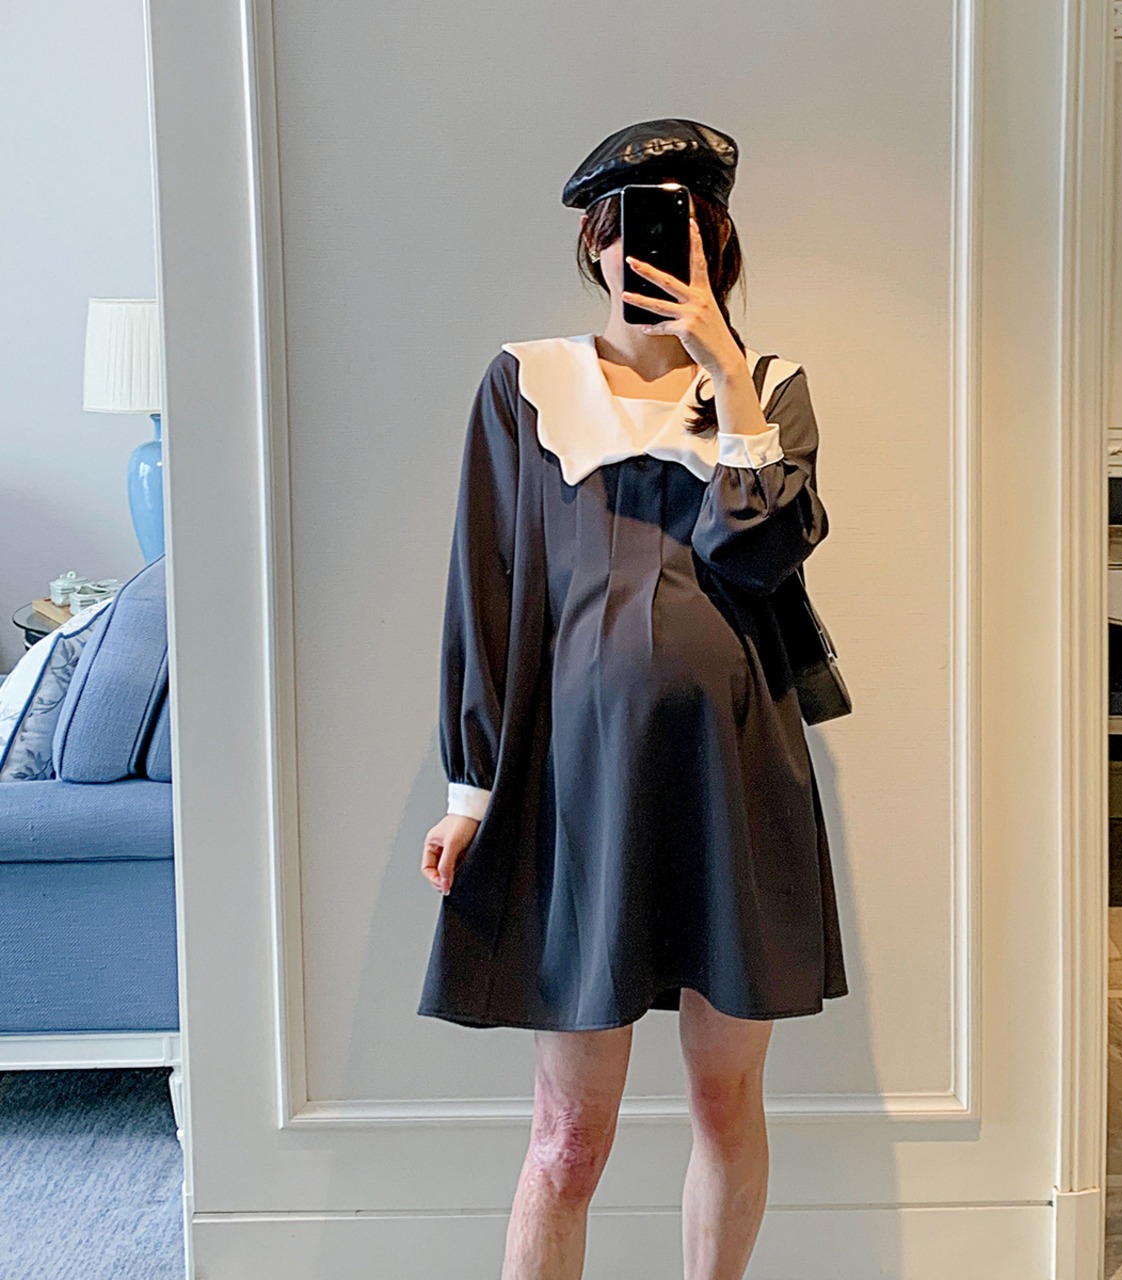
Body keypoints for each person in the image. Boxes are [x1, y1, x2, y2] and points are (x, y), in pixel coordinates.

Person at [416, 117, 849, 1280]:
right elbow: (486, 583)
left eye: (677, 234)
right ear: (592, 244)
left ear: (717, 250)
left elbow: (759, 557)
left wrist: (723, 372)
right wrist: (469, 791)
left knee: (725, 1102)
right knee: (567, 1133)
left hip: (733, 775)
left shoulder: (768, 391)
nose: (640, 256)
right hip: (578, 785)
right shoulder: (525, 384)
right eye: (624, 231)